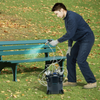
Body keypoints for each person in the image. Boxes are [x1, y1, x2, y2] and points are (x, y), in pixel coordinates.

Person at [49, 3, 97, 89]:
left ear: (62, 10)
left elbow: (70, 34)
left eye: (57, 13)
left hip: (87, 38)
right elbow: (71, 33)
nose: (57, 16)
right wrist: (69, 48)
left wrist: (57, 41)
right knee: (70, 57)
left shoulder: (71, 17)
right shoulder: (67, 18)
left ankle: (92, 82)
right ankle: (72, 81)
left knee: (81, 60)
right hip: (80, 39)